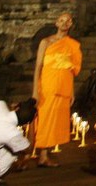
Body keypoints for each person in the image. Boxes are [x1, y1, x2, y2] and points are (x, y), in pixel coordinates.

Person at [32, 11, 82, 167]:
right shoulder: (46, 42)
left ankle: (44, 155)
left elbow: (72, 70)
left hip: (64, 85)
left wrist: (72, 91)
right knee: (45, 118)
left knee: (55, 120)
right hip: (48, 85)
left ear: (71, 24)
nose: (65, 23)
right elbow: (38, 67)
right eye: (62, 20)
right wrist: (35, 90)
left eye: (68, 21)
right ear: (56, 23)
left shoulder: (72, 44)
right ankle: (40, 154)